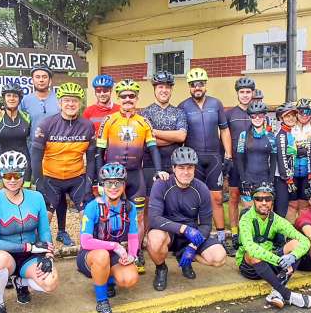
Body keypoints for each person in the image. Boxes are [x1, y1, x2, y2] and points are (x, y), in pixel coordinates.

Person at [96, 79, 167, 270]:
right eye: (124, 96)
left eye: (132, 96)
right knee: (110, 214)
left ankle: (137, 254)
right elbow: (99, 150)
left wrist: (160, 169)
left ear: (137, 98)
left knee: (138, 216)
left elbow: (153, 149)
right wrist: (98, 177)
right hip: (113, 176)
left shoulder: (144, 121)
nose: (128, 99)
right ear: (118, 98)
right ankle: (112, 252)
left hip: (136, 175)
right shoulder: (109, 120)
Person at [0, 152, 56, 313]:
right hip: (3, 253)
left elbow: (45, 232)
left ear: (24, 174)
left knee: (50, 283)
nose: (12, 179)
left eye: (17, 174)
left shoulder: (36, 197)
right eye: (7, 175)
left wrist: (49, 256)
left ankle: (20, 282)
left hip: (30, 255)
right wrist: (29, 247)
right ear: (1, 175)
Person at [147, 147, 227, 291]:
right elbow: (154, 219)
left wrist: (193, 246)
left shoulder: (201, 188)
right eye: (181, 167)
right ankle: (161, 268)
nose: (185, 172)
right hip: (169, 232)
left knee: (219, 257)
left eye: (189, 167)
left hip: (191, 235)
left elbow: (206, 224)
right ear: (173, 168)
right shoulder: (161, 184)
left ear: (195, 168)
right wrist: (183, 229)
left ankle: (185, 257)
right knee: (154, 239)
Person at [30, 82, 95, 247]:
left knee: (88, 212)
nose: (71, 104)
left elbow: (92, 158)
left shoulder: (87, 126)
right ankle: (42, 246)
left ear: (80, 103)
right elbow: (35, 158)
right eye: (66, 100)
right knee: (45, 214)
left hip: (76, 178)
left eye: (74, 100)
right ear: (59, 103)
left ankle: (90, 245)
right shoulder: (46, 124)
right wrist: (39, 183)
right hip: (51, 178)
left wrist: (89, 182)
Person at [235, 182, 311, 309]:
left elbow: (304, 241)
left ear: (272, 200)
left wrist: (293, 257)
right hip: (250, 267)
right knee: (252, 254)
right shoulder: (246, 219)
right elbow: (250, 247)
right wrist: (278, 261)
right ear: (253, 200)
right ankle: (287, 294)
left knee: (295, 244)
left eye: (268, 199)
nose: (264, 202)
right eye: (259, 199)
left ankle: (276, 293)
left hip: (271, 262)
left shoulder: (276, 219)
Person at [77, 163, 141, 313]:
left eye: (118, 183)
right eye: (108, 183)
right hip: (91, 255)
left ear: (124, 185)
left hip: (113, 255)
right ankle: (102, 301)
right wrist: (116, 246)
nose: (113, 187)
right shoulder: (93, 206)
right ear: (102, 185)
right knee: (102, 255)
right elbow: (85, 242)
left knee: (129, 279)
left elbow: (133, 235)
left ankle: (107, 280)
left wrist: (132, 255)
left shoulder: (129, 207)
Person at [178, 67, 233, 246]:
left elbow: (224, 130)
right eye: (193, 85)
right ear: (189, 87)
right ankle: (197, 237)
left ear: (205, 85)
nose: (197, 87)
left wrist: (228, 155)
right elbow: (180, 135)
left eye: (200, 84)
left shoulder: (216, 104)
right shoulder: (183, 106)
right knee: (196, 198)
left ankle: (221, 237)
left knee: (216, 198)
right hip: (194, 160)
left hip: (214, 158)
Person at [140, 70, 188, 206]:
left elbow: (182, 136)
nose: (164, 90)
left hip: (174, 163)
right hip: (150, 164)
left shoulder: (179, 112)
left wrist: (153, 131)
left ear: (171, 89)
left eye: (167, 87)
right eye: (160, 86)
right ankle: (149, 228)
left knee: (174, 203)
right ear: (154, 89)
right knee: (151, 203)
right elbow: (146, 140)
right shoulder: (145, 112)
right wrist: (174, 137)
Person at [225, 77, 256, 253]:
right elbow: (224, 138)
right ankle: (235, 234)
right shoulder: (230, 114)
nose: (245, 95)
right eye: (242, 92)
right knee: (234, 198)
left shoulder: (258, 113)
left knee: (251, 200)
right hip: (235, 164)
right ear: (237, 93)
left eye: (248, 92)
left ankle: (249, 234)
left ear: (252, 93)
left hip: (253, 165)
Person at [0, 82, 32, 185]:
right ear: (4, 98)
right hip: (0, 165)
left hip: (24, 164)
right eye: (8, 95)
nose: (12, 98)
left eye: (15, 96)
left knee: (24, 195)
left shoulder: (26, 117)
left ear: (20, 99)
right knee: (2, 195)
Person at [235, 101, 275, 208]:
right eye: (253, 116)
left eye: (260, 115)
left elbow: (273, 161)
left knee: (264, 212)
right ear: (250, 117)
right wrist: (243, 180)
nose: (257, 118)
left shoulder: (271, 137)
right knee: (248, 213)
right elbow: (239, 159)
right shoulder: (243, 135)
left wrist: (271, 180)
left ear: (264, 116)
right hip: (248, 179)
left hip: (264, 180)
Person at [291, 98, 311, 215]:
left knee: (304, 204)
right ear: (296, 112)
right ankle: (290, 232)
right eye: (301, 111)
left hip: (308, 171)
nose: (304, 115)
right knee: (292, 204)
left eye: (307, 112)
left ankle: (303, 230)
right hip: (291, 171)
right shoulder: (291, 127)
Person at [20, 65, 60, 148]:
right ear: (32, 80)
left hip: (57, 148)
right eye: (37, 77)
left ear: (50, 80)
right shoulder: (25, 100)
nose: (41, 80)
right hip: (33, 148)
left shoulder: (59, 99)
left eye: (44, 77)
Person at [272, 102, 299, 219]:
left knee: (282, 210)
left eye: (293, 115)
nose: (291, 118)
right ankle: (277, 237)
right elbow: (282, 158)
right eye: (287, 116)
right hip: (281, 178)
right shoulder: (281, 135)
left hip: (286, 177)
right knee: (280, 211)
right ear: (281, 118)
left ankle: (280, 236)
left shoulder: (289, 133)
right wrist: (289, 180)